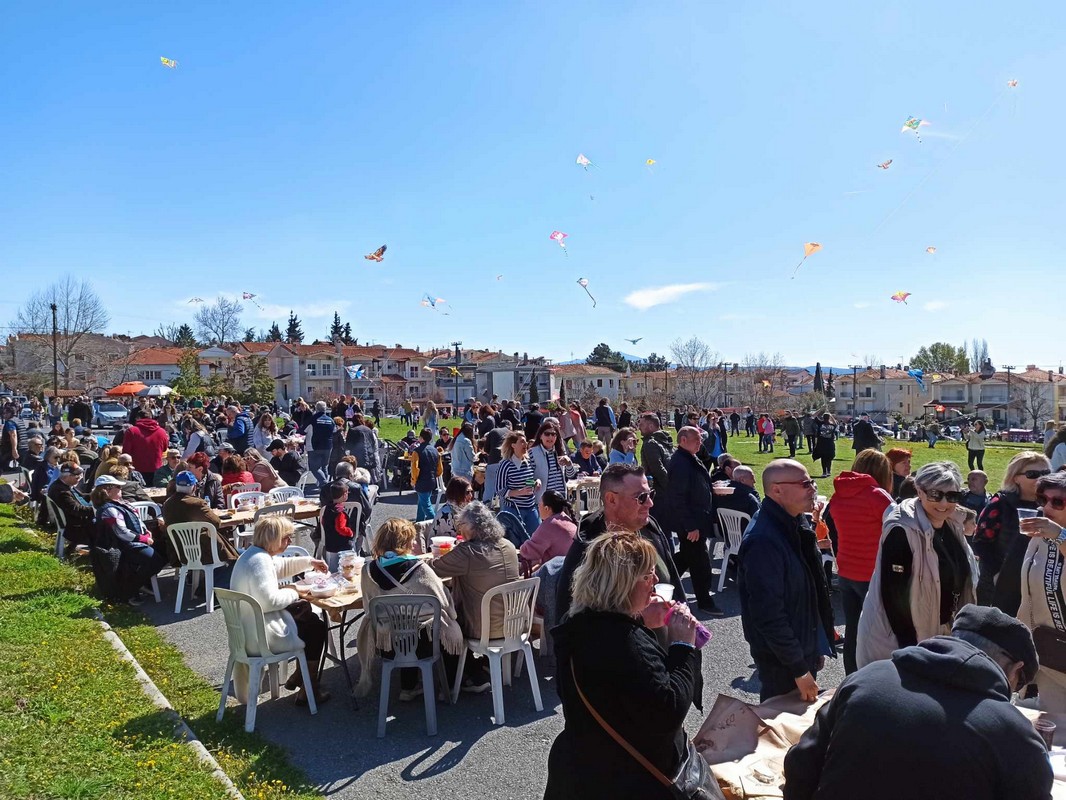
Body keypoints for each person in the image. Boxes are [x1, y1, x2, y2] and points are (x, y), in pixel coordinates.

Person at [783, 604, 1051, 800]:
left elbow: (801, 766)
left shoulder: (865, 678)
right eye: (1017, 685)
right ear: (1016, 669)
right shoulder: (1014, 735)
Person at [544, 532, 702, 800]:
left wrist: (638, 621)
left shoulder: (578, 625)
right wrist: (683, 646)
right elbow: (669, 709)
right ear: (622, 584)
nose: (655, 582)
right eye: (647, 576)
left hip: (582, 770)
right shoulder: (626, 642)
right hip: (627, 780)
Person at [856, 462, 977, 669]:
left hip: (941, 630)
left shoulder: (951, 524)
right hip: (899, 639)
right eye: (935, 495)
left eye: (952, 496)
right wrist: (909, 650)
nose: (944, 503)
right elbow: (893, 595)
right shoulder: (901, 529)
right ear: (919, 491)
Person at [738, 459, 836, 701]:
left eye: (811, 481)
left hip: (802, 647)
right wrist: (799, 668)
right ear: (776, 490)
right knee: (782, 729)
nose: (813, 488)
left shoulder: (795, 520)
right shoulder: (763, 541)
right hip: (781, 661)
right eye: (805, 483)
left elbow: (810, 587)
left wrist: (816, 644)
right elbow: (768, 615)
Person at [355, 518, 465, 701]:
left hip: (387, 642)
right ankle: (451, 685)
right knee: (446, 622)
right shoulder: (421, 569)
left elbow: (368, 607)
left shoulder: (368, 570)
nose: (414, 543)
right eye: (412, 540)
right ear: (404, 543)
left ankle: (408, 686)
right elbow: (443, 602)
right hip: (424, 643)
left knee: (403, 625)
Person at [229, 516, 330, 705]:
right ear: (273, 537)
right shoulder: (260, 561)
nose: (290, 541)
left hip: (247, 630)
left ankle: (301, 678)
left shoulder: (252, 555)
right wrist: (294, 591)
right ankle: (309, 689)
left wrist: (310, 562)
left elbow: (280, 566)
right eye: (287, 537)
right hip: (260, 636)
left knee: (307, 619)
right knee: (316, 628)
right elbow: (270, 602)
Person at [430, 502, 521, 692]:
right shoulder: (509, 546)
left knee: (444, 624)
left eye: (461, 525)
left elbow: (434, 569)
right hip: (516, 624)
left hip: (485, 628)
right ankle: (476, 669)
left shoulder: (468, 552)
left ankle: (461, 678)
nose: (459, 529)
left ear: (473, 527)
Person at [821, 449, 894, 674]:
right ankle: (875, 680)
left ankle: (851, 677)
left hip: (846, 571)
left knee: (853, 628)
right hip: (872, 573)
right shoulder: (878, 496)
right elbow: (897, 529)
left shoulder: (838, 496)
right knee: (879, 633)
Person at [973, 450, 1051, 613]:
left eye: (1045, 473)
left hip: (1041, 583)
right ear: (1015, 478)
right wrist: (997, 573)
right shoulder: (1000, 503)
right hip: (1002, 583)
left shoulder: (1054, 504)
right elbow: (981, 542)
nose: (1041, 478)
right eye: (1032, 474)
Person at [666, 427, 722, 615]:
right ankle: (705, 601)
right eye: (696, 440)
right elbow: (678, 497)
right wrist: (690, 525)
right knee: (700, 562)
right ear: (683, 440)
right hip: (691, 523)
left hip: (697, 520)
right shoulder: (681, 462)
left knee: (686, 557)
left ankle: (664, 584)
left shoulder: (689, 457)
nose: (700, 443)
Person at [91, 474, 168, 605]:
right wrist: (142, 538)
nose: (121, 488)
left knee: (167, 550)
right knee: (154, 560)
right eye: (117, 487)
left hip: (135, 541)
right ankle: (128, 591)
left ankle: (144, 582)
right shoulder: (108, 510)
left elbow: (136, 520)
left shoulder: (120, 504)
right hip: (123, 546)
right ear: (107, 490)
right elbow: (122, 532)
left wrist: (146, 531)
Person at [495, 431, 541, 537]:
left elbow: (526, 481)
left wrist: (536, 482)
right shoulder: (505, 465)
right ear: (513, 445)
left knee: (535, 537)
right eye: (522, 442)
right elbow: (500, 490)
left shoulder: (528, 462)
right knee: (516, 539)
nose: (525, 445)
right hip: (513, 509)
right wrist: (519, 492)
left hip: (530, 508)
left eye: (525, 442)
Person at [519, 490, 577, 570]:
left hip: (558, 572)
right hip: (570, 567)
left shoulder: (550, 524)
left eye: (539, 504)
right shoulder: (566, 518)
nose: (538, 507)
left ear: (546, 508)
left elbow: (528, 552)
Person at [46, 463, 96, 548]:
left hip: (75, 520)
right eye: (77, 477)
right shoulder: (61, 492)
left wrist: (96, 495)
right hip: (75, 527)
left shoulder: (64, 486)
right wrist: (96, 510)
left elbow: (80, 497)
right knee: (106, 524)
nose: (79, 479)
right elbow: (76, 510)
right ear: (67, 476)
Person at [529, 420, 576, 503]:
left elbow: (571, 475)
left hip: (560, 498)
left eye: (553, 434)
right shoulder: (533, 452)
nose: (550, 437)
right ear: (540, 436)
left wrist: (569, 464)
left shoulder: (560, 451)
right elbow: (526, 478)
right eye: (547, 434)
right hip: (542, 500)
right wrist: (534, 482)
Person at [321, 481, 355, 571]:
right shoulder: (339, 512)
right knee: (344, 568)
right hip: (341, 545)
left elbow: (323, 521)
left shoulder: (328, 508)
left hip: (330, 543)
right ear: (344, 495)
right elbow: (340, 528)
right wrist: (350, 532)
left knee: (332, 567)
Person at [410, 428, 441, 523]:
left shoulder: (417, 451)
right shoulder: (436, 451)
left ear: (421, 438)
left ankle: (437, 524)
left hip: (421, 481)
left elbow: (415, 469)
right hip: (431, 480)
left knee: (426, 506)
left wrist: (413, 481)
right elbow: (440, 469)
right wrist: (435, 475)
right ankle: (419, 522)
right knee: (422, 502)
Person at [430, 476, 475, 540]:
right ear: (457, 493)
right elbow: (450, 541)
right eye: (467, 492)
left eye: (471, 492)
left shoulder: (464, 509)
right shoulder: (446, 513)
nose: (471, 495)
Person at [303, 401, 335, 488]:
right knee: (324, 466)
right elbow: (334, 431)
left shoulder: (312, 419)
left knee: (314, 468)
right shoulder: (330, 420)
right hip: (328, 446)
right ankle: (325, 488)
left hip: (314, 446)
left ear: (316, 409)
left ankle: (324, 483)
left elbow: (303, 430)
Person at [810, 413, 837, 479]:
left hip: (821, 443)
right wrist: (831, 416)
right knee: (829, 458)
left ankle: (824, 472)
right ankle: (828, 471)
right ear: (829, 418)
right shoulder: (832, 425)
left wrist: (821, 409)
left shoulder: (820, 423)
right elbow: (835, 423)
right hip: (830, 444)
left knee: (823, 458)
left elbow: (813, 415)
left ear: (823, 417)